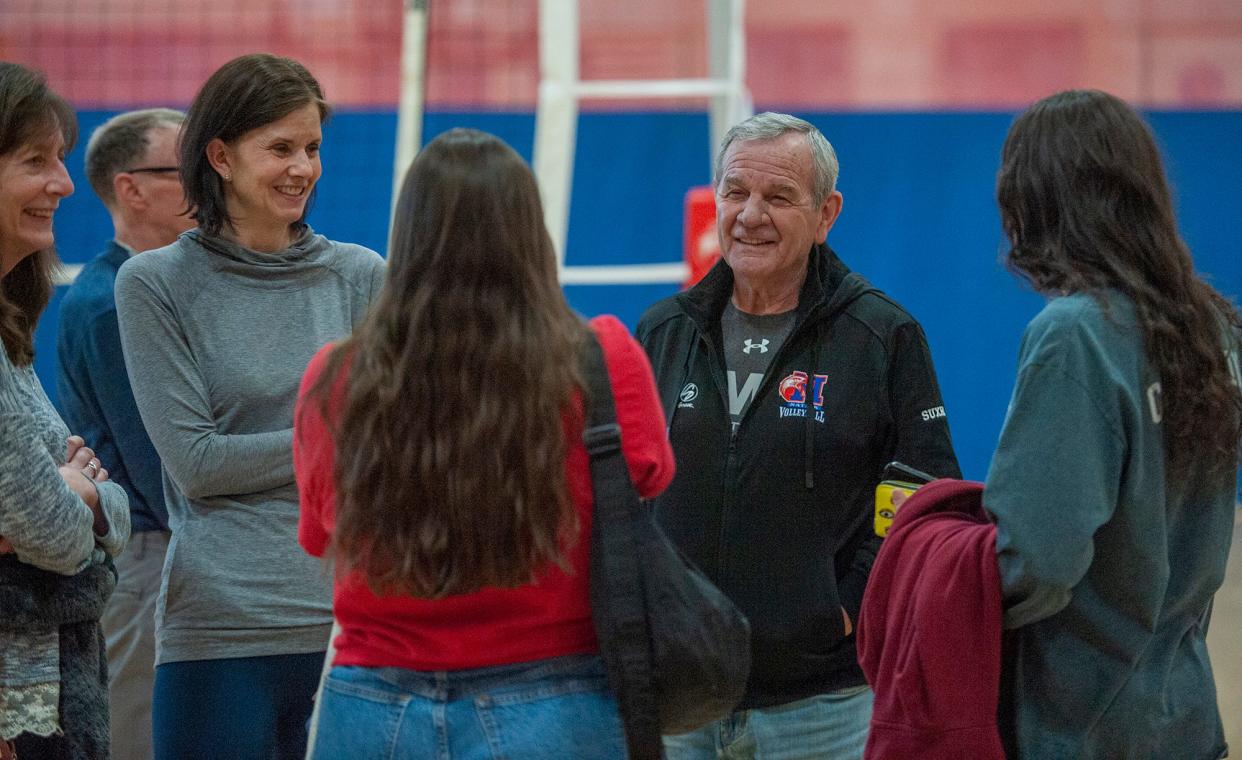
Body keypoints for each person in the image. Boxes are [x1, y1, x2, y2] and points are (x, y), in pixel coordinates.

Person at [294, 127, 675, 759]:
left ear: (407, 238)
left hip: (371, 705)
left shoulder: (335, 377)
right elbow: (650, 478)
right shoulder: (602, 358)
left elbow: (319, 535)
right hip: (556, 700)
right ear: (531, 234)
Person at [636, 111, 960, 760]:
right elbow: (623, 492)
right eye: (736, 192)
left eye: (778, 197)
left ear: (826, 214)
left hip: (822, 707)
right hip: (679, 696)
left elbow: (924, 489)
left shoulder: (881, 336)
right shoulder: (663, 331)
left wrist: (849, 603)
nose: (751, 214)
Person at [113, 54, 385, 760]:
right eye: (282, 148)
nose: (303, 168)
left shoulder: (361, 275)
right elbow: (197, 465)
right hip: (221, 630)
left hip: (355, 627)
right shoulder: (154, 284)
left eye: (313, 148)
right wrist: (335, 433)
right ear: (220, 156)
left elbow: (392, 445)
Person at [984, 89, 1241, 759]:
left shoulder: (1075, 334)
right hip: (1182, 717)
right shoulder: (1214, 327)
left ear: (1035, 202)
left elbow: (1036, 562)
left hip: (1079, 726)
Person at [0, 61, 131, 759]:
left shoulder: (11, 331)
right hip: (18, 704)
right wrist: (78, 491)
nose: (64, 183)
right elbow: (54, 531)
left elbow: (100, 510)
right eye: (35, 161)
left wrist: (83, 494)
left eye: (61, 158)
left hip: (46, 688)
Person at [56, 107, 194, 760]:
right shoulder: (113, 301)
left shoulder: (149, 289)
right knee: (136, 736)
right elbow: (156, 455)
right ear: (130, 188)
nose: (205, 186)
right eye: (184, 170)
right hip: (142, 553)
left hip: (159, 547)